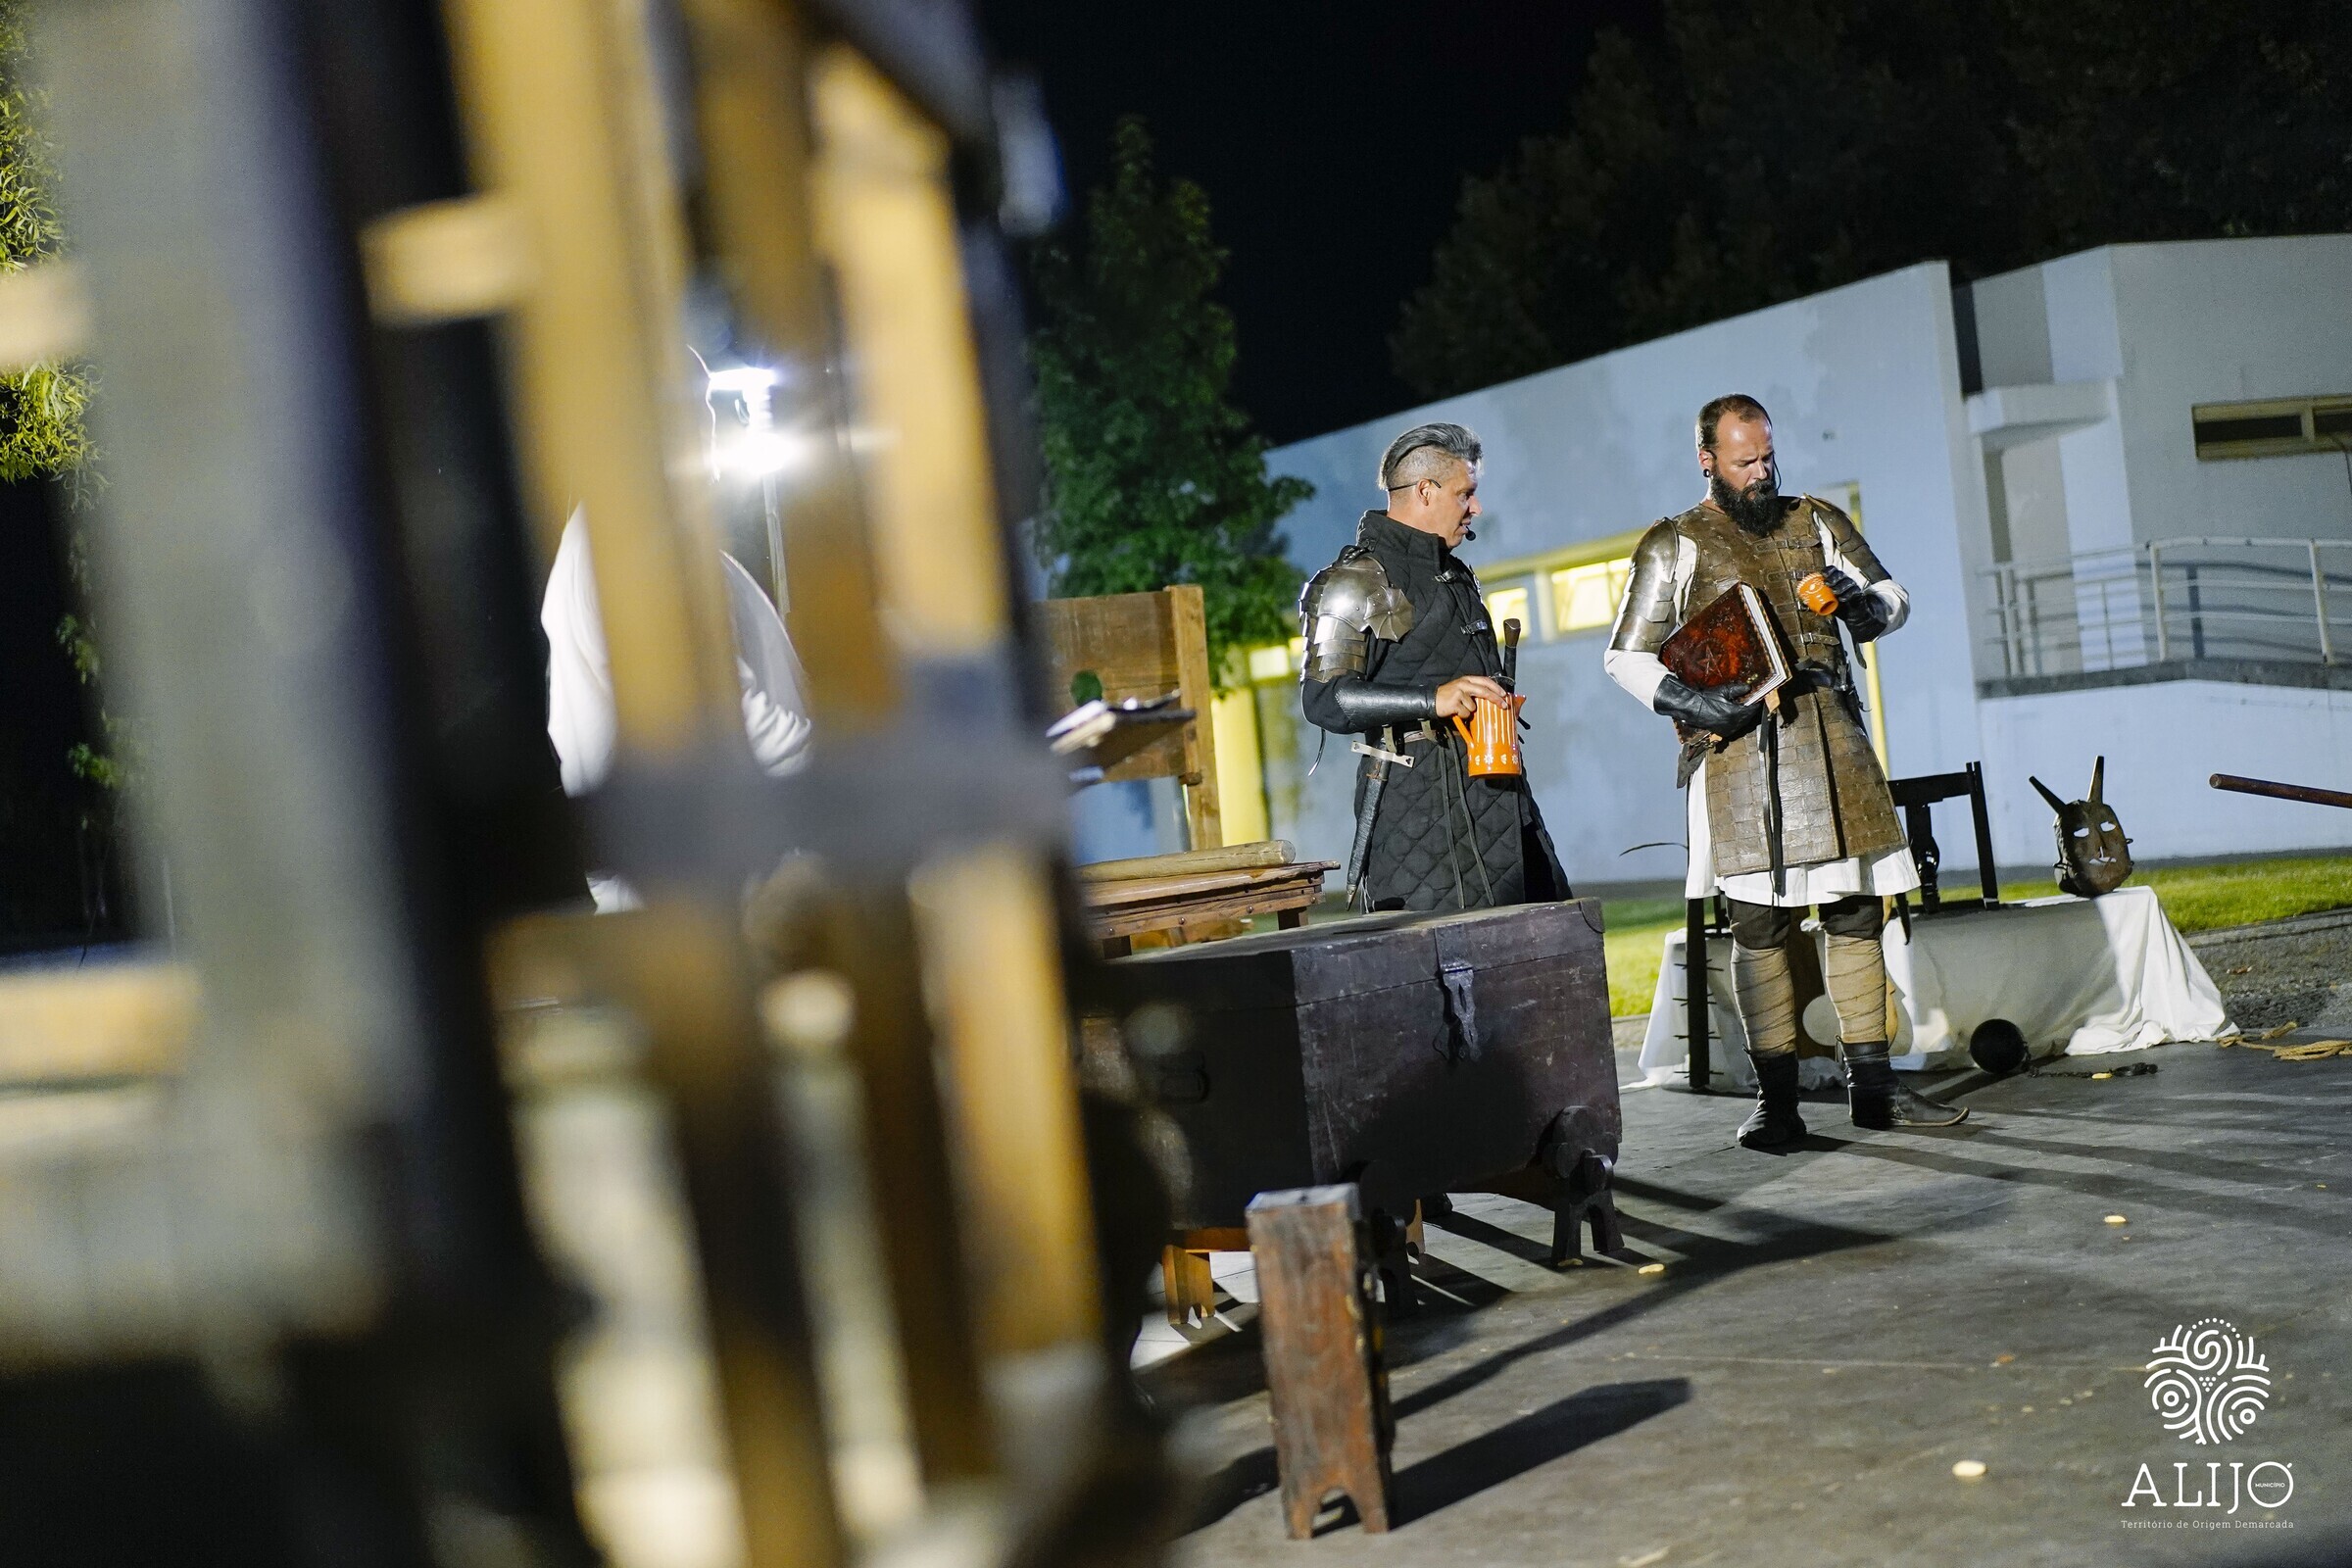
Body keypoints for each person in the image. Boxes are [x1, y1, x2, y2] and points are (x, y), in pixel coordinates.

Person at [1604, 394, 1964, 1145]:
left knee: (1857, 911)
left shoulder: (1818, 519)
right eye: (1745, 461)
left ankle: (1875, 1090)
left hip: (1832, 733)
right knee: (1761, 926)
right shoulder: (1674, 542)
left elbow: (1892, 595)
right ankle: (1778, 1105)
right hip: (1737, 752)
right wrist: (1698, 706)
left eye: (1767, 456)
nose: (1762, 472)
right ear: (1707, 460)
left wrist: (1860, 605)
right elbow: (1626, 656)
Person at [1298, 422, 1567, 911]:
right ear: (1425, 490)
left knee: (1552, 935)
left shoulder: (1456, 574)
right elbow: (1324, 700)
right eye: (1465, 493)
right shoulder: (1354, 581)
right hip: (1415, 815)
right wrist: (1432, 699)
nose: (1476, 507)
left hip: (1502, 798)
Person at [543, 507, 812, 909]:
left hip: (707, 866)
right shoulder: (625, 526)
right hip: (700, 881)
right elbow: (715, 712)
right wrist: (841, 789)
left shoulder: (635, 530)